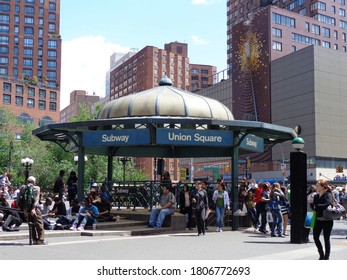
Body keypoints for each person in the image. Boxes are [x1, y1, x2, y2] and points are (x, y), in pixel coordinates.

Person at [17, 176, 48, 245]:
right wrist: (33, 209)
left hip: (26, 209)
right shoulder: (36, 188)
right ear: (34, 182)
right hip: (34, 209)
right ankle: (40, 240)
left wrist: (20, 207)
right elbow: (36, 199)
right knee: (39, 223)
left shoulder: (22, 188)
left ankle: (34, 239)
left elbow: (18, 197)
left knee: (31, 224)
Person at [311, 179, 334, 260]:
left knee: (326, 238)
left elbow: (327, 204)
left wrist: (317, 206)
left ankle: (326, 256)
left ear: (323, 186)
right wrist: (311, 204)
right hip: (318, 219)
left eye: (318, 185)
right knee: (315, 237)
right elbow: (314, 207)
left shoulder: (328, 194)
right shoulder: (316, 196)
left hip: (327, 219)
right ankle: (321, 253)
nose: (316, 186)